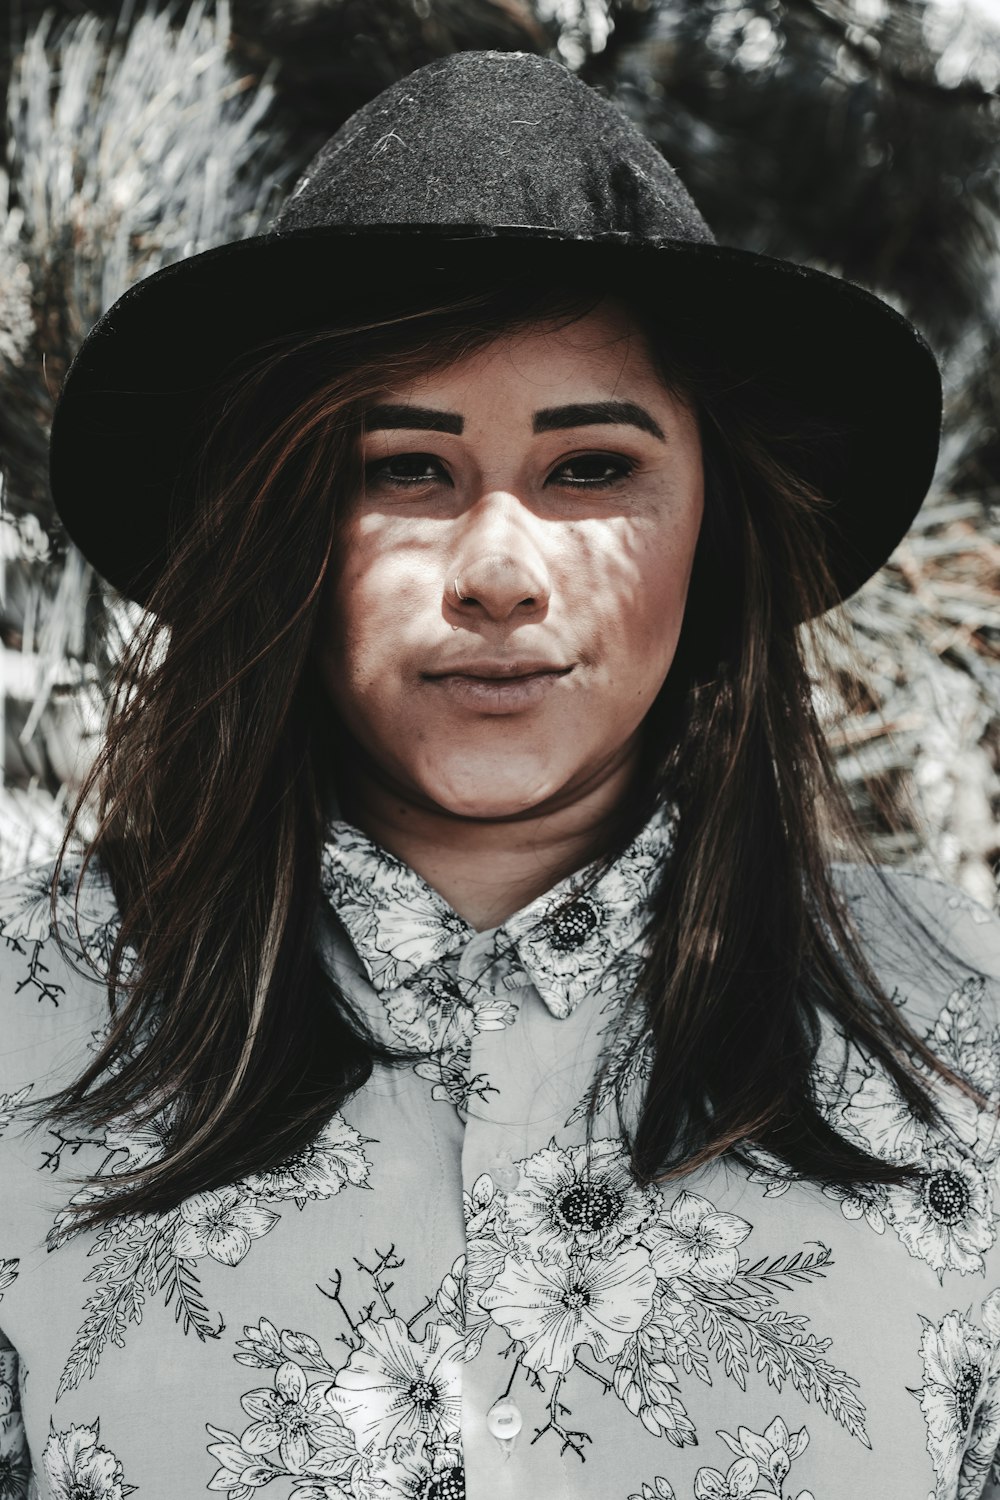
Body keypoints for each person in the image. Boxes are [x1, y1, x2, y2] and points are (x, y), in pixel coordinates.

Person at [0, 47, 998, 1500]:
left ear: (712, 531)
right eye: (406, 469)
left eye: (593, 468)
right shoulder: (26, 1030)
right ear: (284, 527)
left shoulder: (964, 1038)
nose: (501, 573)